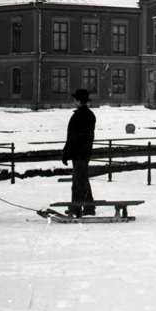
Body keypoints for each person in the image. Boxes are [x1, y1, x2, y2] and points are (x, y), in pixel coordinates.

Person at [62, 88, 97, 216]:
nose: (73, 102)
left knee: (80, 180)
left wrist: (66, 153)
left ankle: (89, 207)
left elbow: (72, 137)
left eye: (75, 100)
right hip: (84, 152)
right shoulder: (89, 115)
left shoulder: (78, 116)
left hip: (79, 153)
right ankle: (75, 207)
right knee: (77, 180)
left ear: (78, 101)